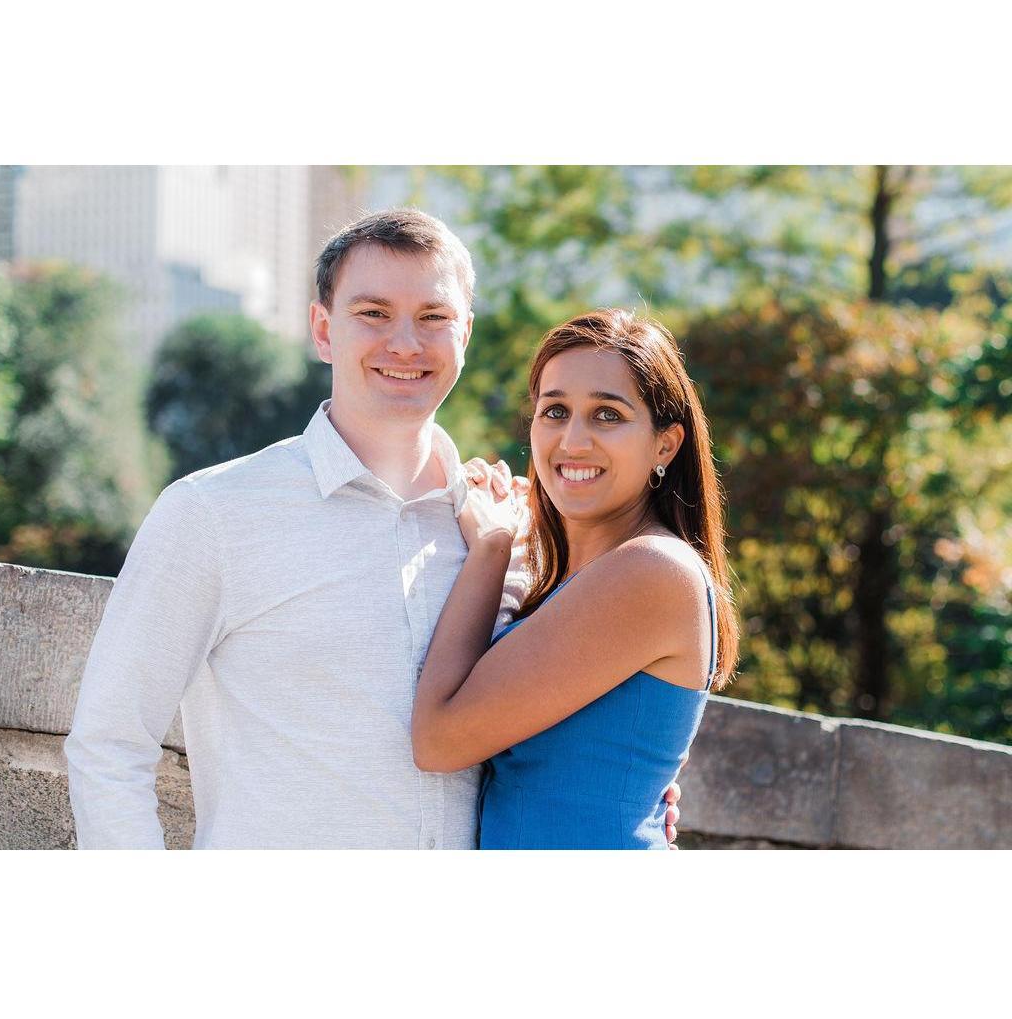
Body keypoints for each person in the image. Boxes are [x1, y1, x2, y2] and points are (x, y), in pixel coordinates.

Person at [64, 209, 685, 849]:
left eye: (433, 317)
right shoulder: (214, 513)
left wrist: (640, 793)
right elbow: (109, 748)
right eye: (373, 313)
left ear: (465, 334)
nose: (406, 344)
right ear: (323, 329)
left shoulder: (513, 527)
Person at [411, 308, 739, 848]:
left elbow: (438, 740)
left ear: (666, 444)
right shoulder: (574, 575)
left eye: (607, 415)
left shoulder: (651, 570)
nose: (573, 441)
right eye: (555, 411)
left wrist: (492, 545)